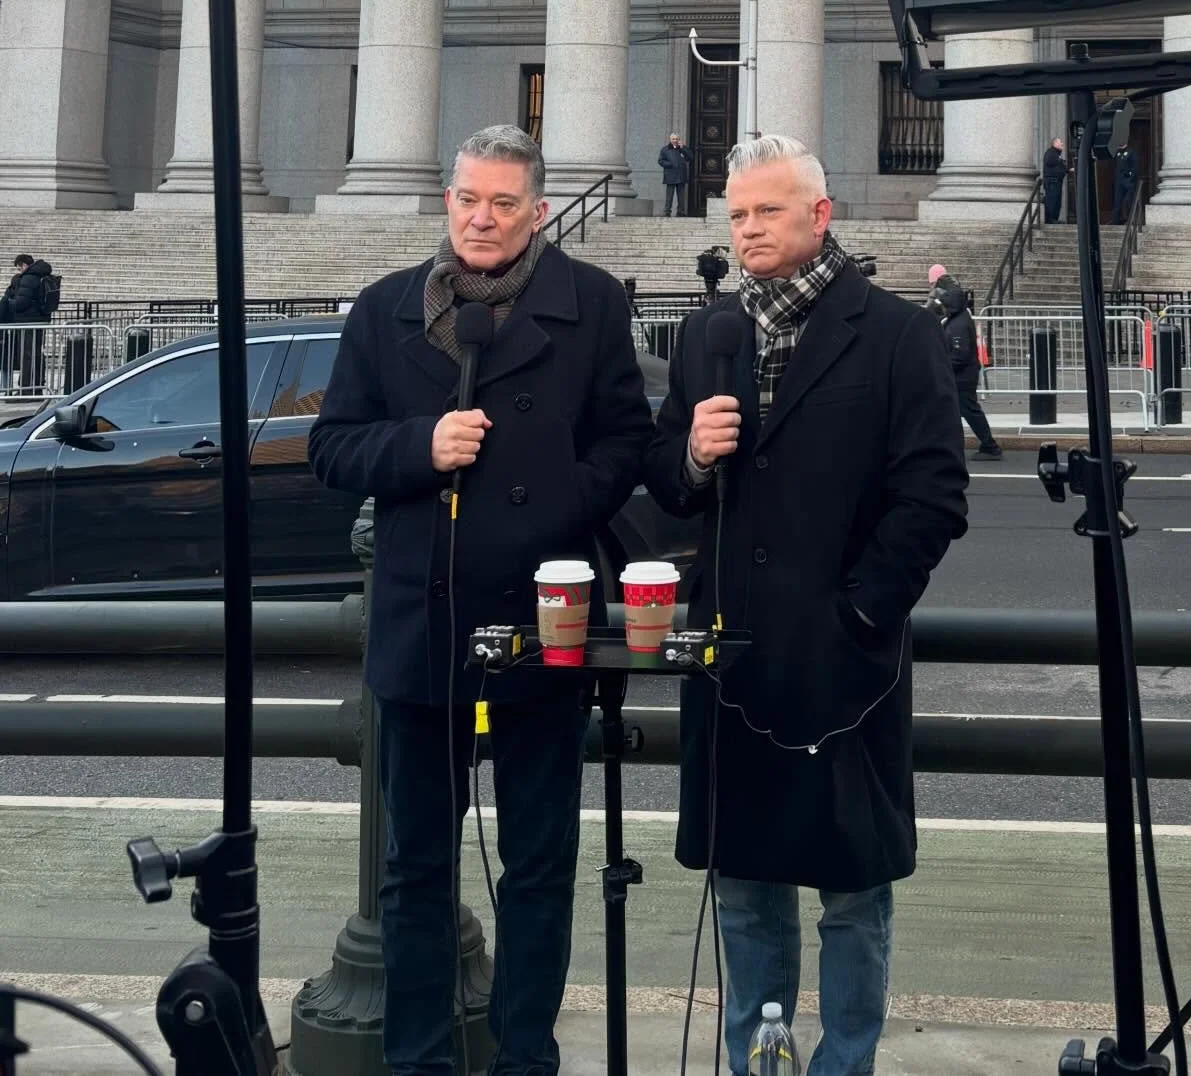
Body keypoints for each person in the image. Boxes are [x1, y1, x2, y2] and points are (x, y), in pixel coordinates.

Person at [308, 124, 653, 1076]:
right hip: (423, 626)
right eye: (468, 199)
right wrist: (419, 448)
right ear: (447, 201)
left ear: (538, 211)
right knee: (416, 870)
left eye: (505, 202)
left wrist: (557, 504)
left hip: (542, 617)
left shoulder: (589, 305)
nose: (483, 218)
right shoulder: (384, 310)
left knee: (539, 866)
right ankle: (418, 1060)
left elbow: (626, 441)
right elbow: (333, 449)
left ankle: (523, 1058)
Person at [644, 135, 969, 1076]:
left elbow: (934, 496)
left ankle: (845, 1062)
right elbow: (662, 482)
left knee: (852, 888)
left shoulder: (897, 333)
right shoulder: (710, 333)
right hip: (734, 652)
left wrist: (863, 612)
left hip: (842, 659)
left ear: (819, 216)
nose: (748, 229)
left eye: (767, 212)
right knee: (742, 883)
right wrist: (694, 454)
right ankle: (753, 1057)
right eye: (737, 214)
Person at [934, 276, 1002, 460]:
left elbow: (960, 355)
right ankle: (951, 446)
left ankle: (990, 446)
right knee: (955, 412)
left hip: (962, 378)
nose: (942, 306)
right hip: (961, 375)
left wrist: (942, 367)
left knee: (969, 411)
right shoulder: (957, 318)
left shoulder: (958, 325)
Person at [0, 253, 57, 395]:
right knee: (36, 354)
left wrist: (8, 304)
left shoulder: (28, 278)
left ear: (24, 265)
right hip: (40, 321)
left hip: (26, 321)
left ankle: (26, 389)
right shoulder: (41, 275)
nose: (19, 270)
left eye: (19, 267)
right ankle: (36, 386)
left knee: (26, 356)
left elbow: (21, 303)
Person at [658, 133, 692, 217]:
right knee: (669, 195)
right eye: (673, 139)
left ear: (679, 140)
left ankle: (681, 211)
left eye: (676, 139)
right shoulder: (665, 149)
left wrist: (683, 148)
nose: (675, 141)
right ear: (670, 140)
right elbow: (660, 161)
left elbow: (690, 157)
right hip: (670, 174)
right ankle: (667, 211)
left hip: (681, 174)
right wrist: (671, 164)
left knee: (681, 195)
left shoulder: (683, 148)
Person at [1042, 136, 1067, 224]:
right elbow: (1050, 161)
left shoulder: (1056, 154)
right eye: (1060, 142)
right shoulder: (1050, 152)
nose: (1062, 144)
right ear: (1055, 143)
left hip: (1056, 182)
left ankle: (1054, 219)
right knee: (1052, 201)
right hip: (1052, 182)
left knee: (1056, 201)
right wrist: (1060, 161)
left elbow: (1060, 166)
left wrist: (1067, 169)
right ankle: (1050, 219)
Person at [1111, 146, 1139, 226]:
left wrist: (1131, 177)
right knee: (1117, 202)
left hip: (1128, 181)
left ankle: (1133, 221)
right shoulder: (1117, 152)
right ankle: (1115, 222)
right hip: (1119, 181)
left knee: (1129, 201)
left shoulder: (1131, 152)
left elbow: (1135, 167)